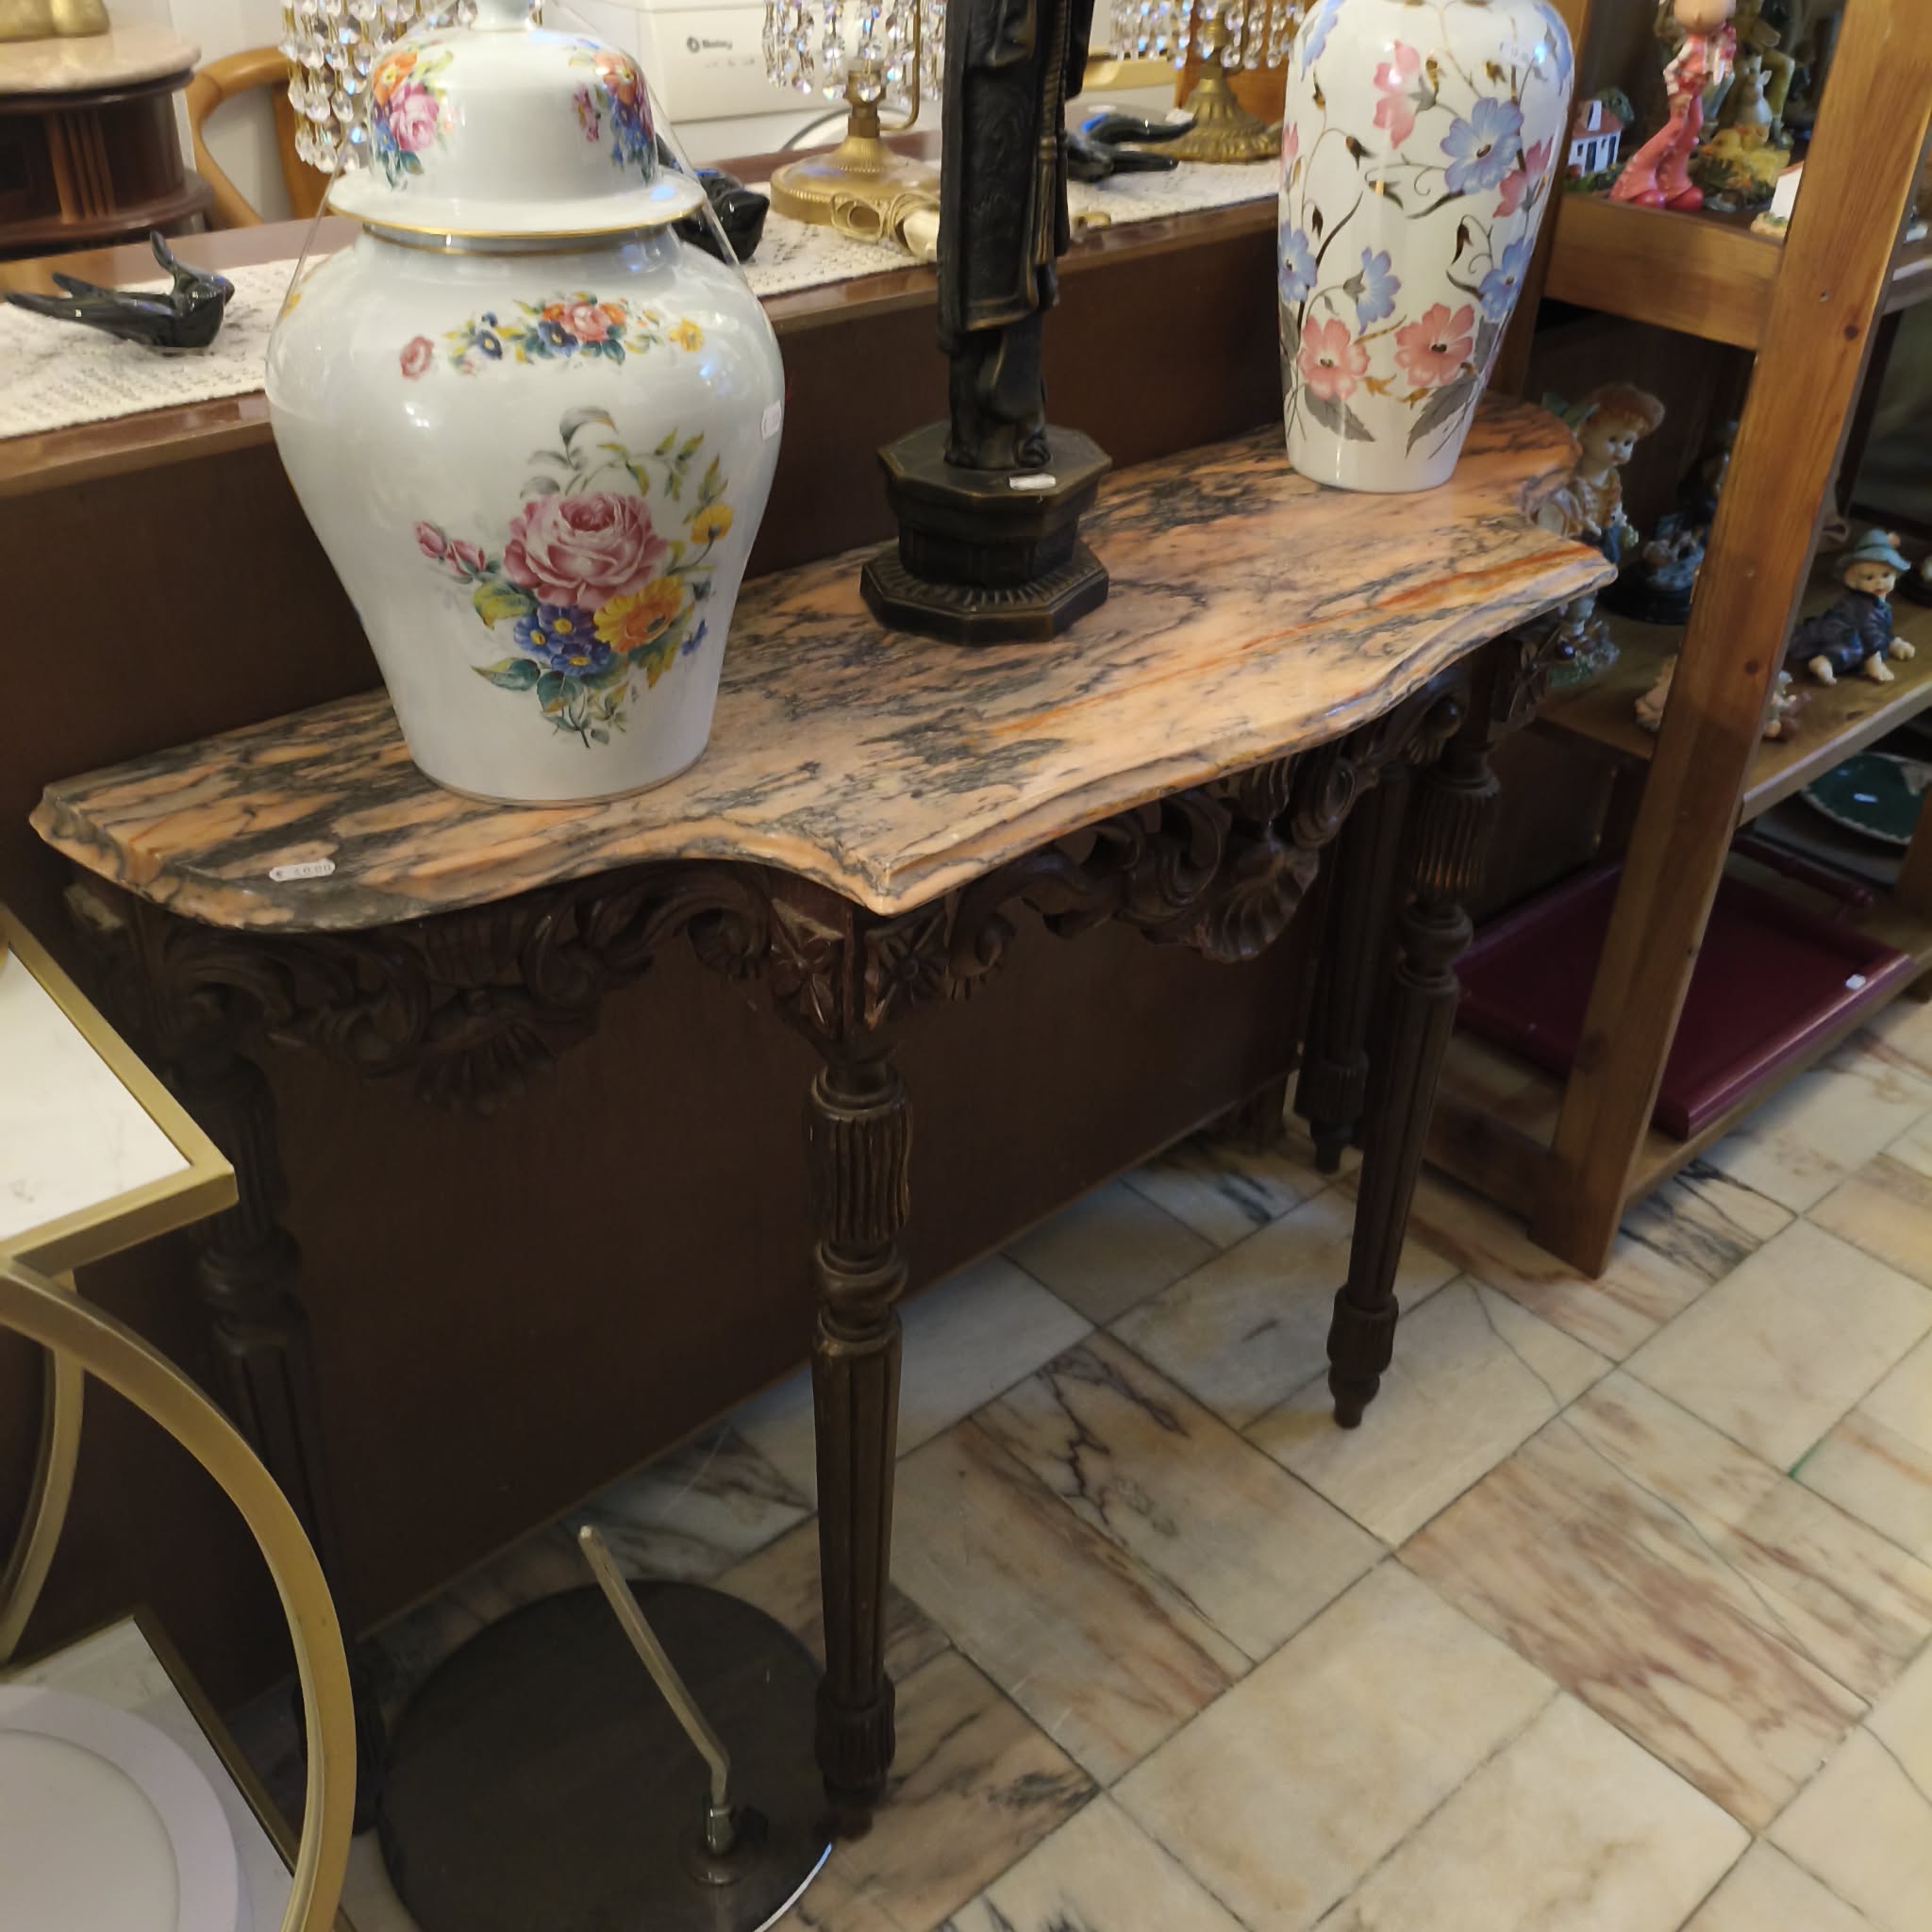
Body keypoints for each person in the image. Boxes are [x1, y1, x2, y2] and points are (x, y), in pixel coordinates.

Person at [1612, 0, 1739, 210]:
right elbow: (1670, 71)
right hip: (1682, 93)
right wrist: (1675, 95)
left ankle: (1672, 180)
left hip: (1695, 93)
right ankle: (1634, 179)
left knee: (1694, 126)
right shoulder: (1692, 46)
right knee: (1675, 127)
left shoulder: (1714, 42)